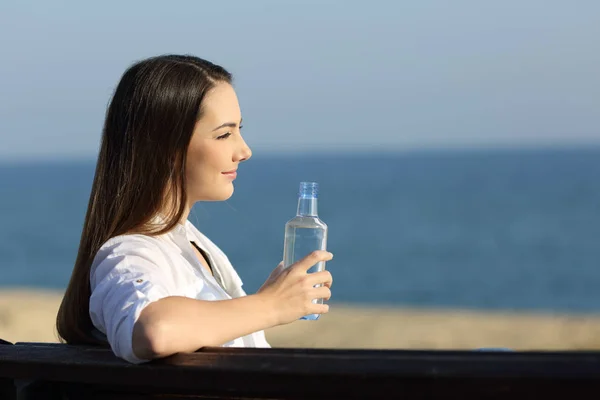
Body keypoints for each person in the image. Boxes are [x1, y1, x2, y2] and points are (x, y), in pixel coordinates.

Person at [56, 54, 334, 364]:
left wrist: (265, 301)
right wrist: (270, 305)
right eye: (224, 134)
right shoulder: (129, 253)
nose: (244, 150)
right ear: (166, 146)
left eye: (239, 129)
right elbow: (155, 330)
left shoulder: (192, 244)